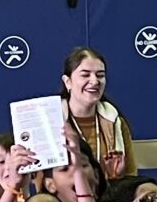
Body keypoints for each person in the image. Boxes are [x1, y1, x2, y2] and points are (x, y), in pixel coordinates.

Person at [57, 48, 134, 183]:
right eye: (85, 75)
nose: (94, 81)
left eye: (100, 75)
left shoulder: (115, 121)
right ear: (67, 81)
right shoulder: (52, 122)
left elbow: (131, 175)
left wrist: (116, 177)